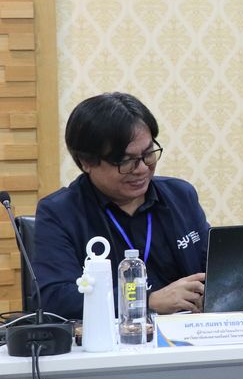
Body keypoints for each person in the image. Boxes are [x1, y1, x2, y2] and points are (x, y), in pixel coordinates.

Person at [33, 92, 210, 320]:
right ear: (86, 162)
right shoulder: (59, 213)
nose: (142, 169)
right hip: (111, 337)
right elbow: (56, 298)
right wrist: (146, 301)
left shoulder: (181, 196)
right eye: (125, 161)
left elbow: (214, 268)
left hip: (187, 332)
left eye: (148, 154)